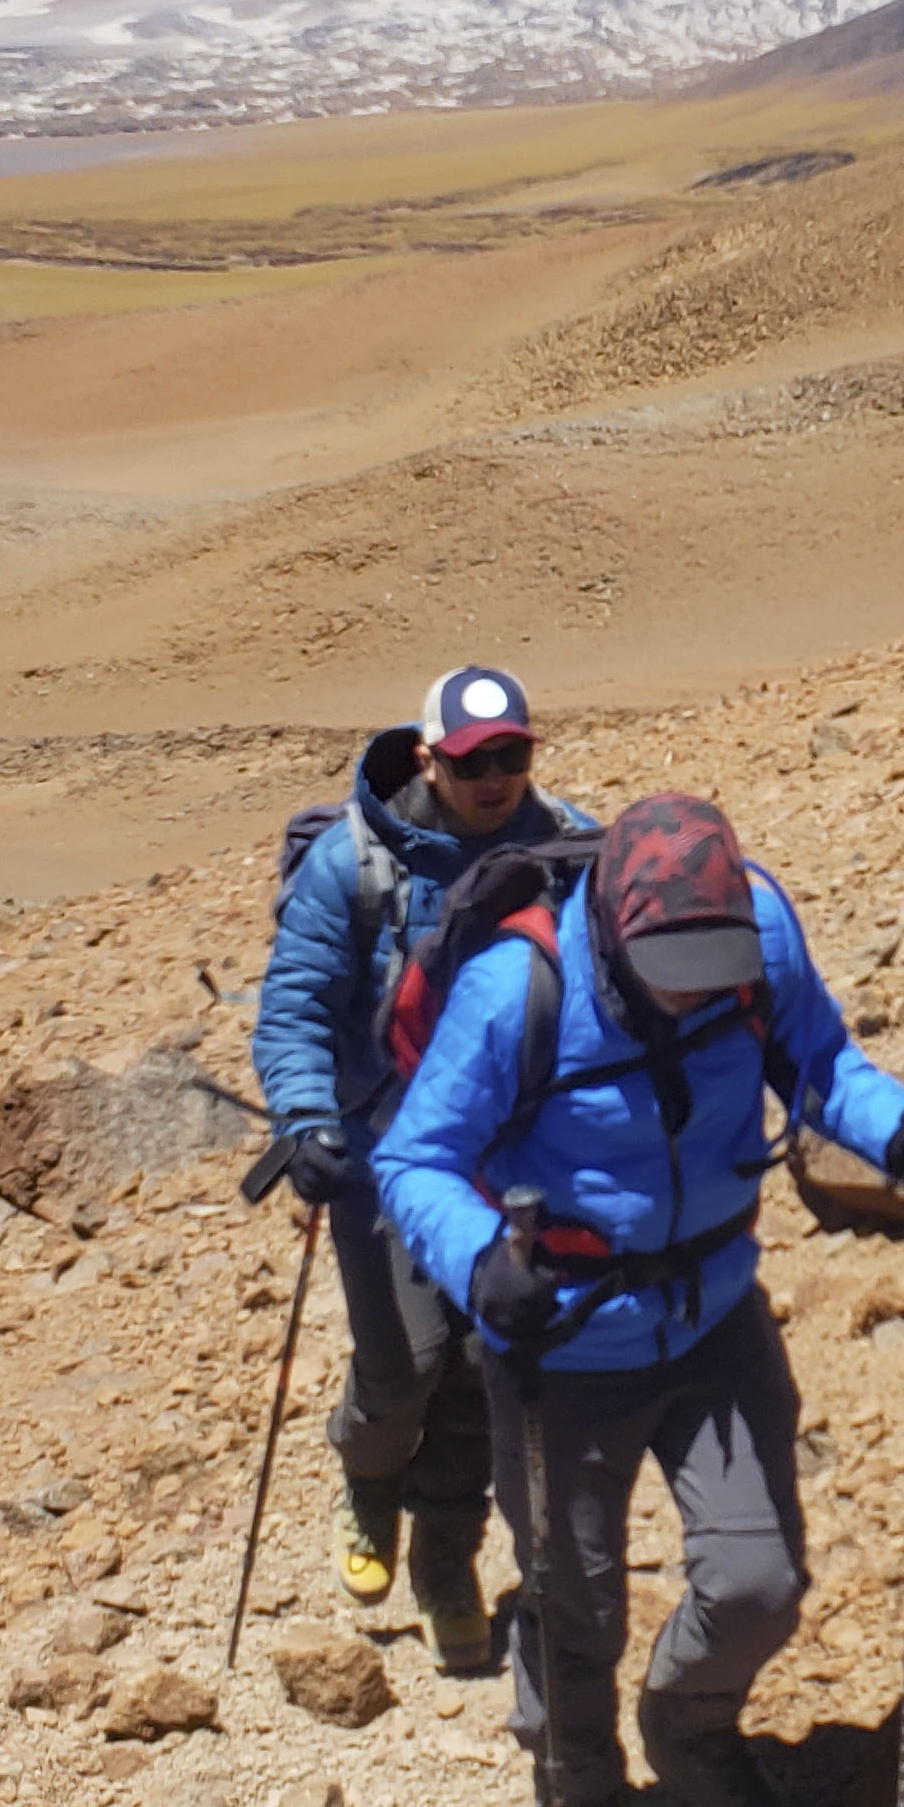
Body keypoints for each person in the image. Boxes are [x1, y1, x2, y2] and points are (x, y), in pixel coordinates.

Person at [372, 792, 904, 1807]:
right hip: (561, 1347)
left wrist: (896, 1134)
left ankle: (689, 1725)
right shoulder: (517, 990)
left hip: (713, 1318)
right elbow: (416, 1154)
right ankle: (579, 1804)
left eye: (711, 965)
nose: (694, 988)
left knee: (761, 1579)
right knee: (570, 1598)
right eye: (669, 969)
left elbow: (817, 1061)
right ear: (614, 931)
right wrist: (479, 1258)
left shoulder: (761, 932)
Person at [252, 664, 594, 1671]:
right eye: (470, 760)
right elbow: (295, 1004)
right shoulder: (354, 863)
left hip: (511, 1151)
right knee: (406, 1360)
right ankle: (366, 1472)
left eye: (511, 755)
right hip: (382, 1148)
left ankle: (446, 1555)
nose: (493, 777)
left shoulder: (566, 842)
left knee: (490, 1358)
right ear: (426, 759)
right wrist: (305, 1116)